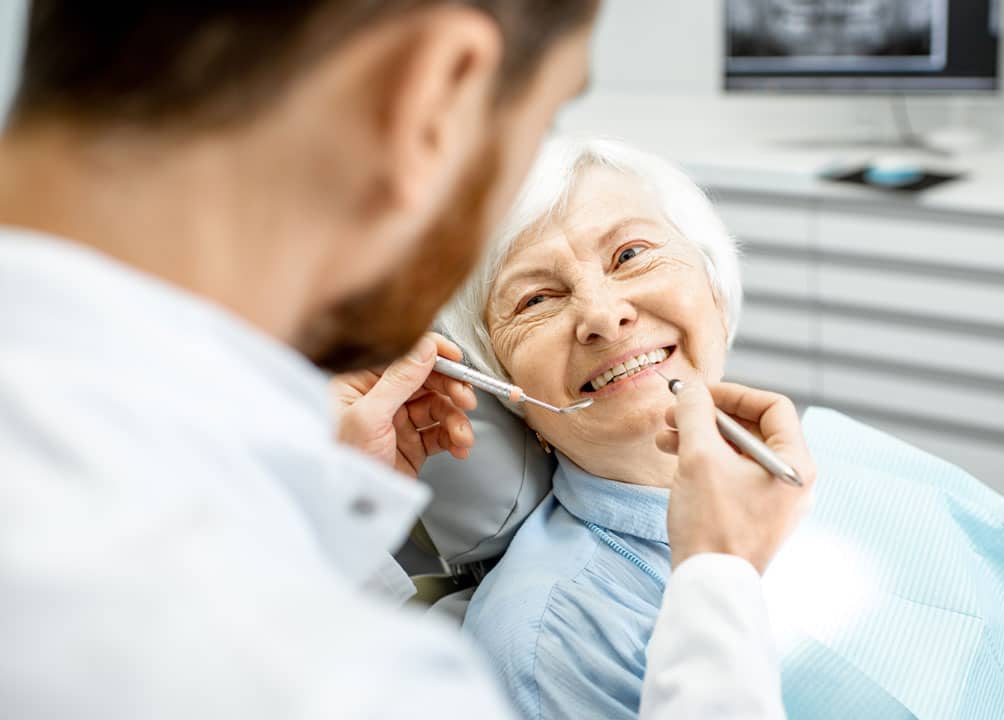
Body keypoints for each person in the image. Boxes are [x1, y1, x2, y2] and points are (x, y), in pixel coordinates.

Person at [0, 3, 814, 719]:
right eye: (546, 118)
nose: (603, 313)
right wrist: (717, 582)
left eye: (633, 252)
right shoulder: (348, 679)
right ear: (436, 91)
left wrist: (323, 509)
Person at [440, 136, 1004, 719]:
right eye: (536, 298)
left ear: (715, 289)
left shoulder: (855, 459)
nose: (602, 314)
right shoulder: (547, 636)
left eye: (630, 254)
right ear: (509, 394)